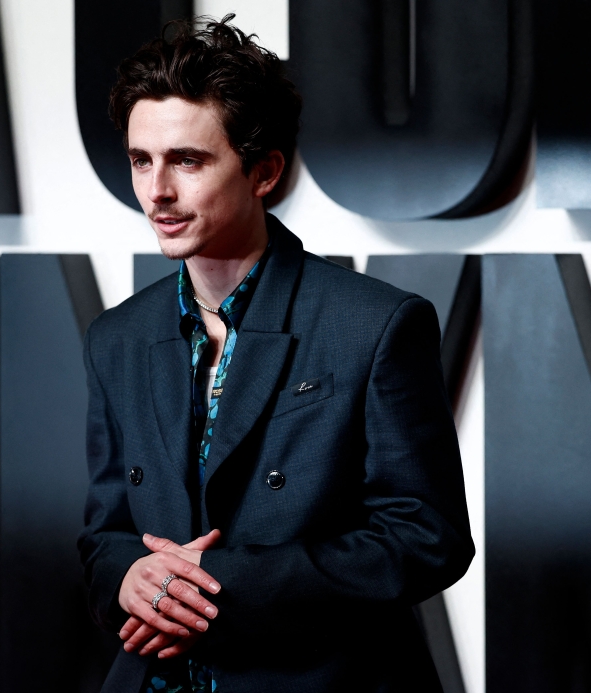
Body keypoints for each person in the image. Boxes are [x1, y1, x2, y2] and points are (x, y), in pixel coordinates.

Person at [78, 16, 475, 693]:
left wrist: (220, 583)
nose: (157, 191)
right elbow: (105, 530)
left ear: (264, 172)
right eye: (142, 160)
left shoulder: (375, 324)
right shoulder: (118, 336)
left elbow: (426, 536)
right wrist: (129, 576)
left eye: (188, 160)